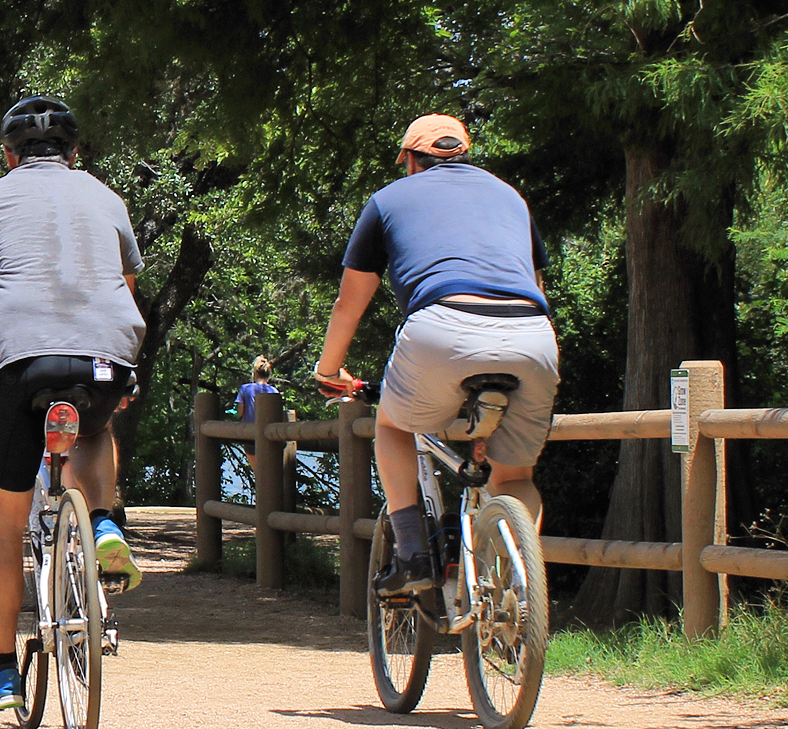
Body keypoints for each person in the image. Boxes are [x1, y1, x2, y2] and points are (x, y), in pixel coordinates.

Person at [0, 97, 147, 715]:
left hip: (20, 362)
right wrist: (122, 372)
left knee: (6, 517)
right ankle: (103, 525)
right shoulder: (107, 199)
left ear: (9, 156)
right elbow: (123, 288)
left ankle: (1, 667)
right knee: (95, 426)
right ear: (76, 155)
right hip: (105, 357)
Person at [312, 114, 557, 597]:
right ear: (463, 152)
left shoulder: (389, 199)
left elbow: (350, 303)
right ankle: (508, 587)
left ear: (409, 160)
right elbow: (536, 284)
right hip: (532, 334)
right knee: (516, 477)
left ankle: (413, 555)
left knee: (392, 426)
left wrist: (328, 369)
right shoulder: (510, 196)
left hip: (442, 327)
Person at [234, 356, 279, 423]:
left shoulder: (245, 389)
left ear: (255, 372)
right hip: (268, 431)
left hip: (249, 430)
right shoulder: (274, 391)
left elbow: (240, 413)